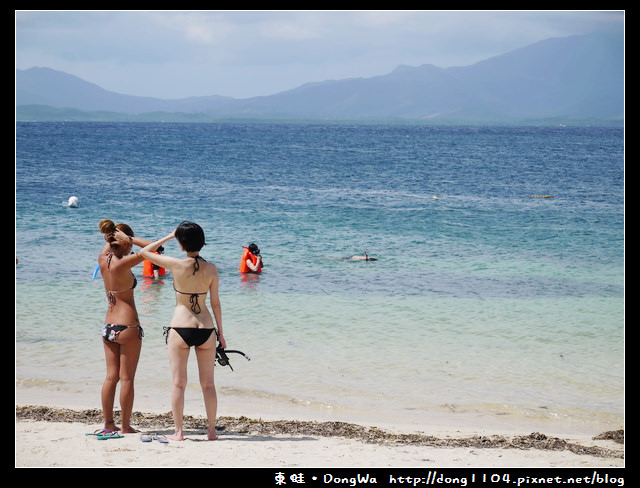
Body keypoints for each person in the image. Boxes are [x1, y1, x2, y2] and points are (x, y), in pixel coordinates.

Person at [138, 221, 225, 441]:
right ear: (202, 242)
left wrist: (168, 236)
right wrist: (221, 334)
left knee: (178, 383)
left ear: (181, 242)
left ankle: (179, 432)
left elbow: (144, 252)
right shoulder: (212, 269)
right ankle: (212, 431)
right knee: (208, 384)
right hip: (206, 328)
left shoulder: (175, 265)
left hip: (180, 328)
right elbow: (215, 304)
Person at [97, 219, 153, 434]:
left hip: (108, 326)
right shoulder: (124, 263)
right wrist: (130, 239)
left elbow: (109, 244)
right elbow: (154, 248)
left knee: (111, 377)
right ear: (126, 243)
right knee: (127, 378)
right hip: (127, 326)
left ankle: (108, 424)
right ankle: (126, 426)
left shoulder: (103, 260)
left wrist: (113, 236)